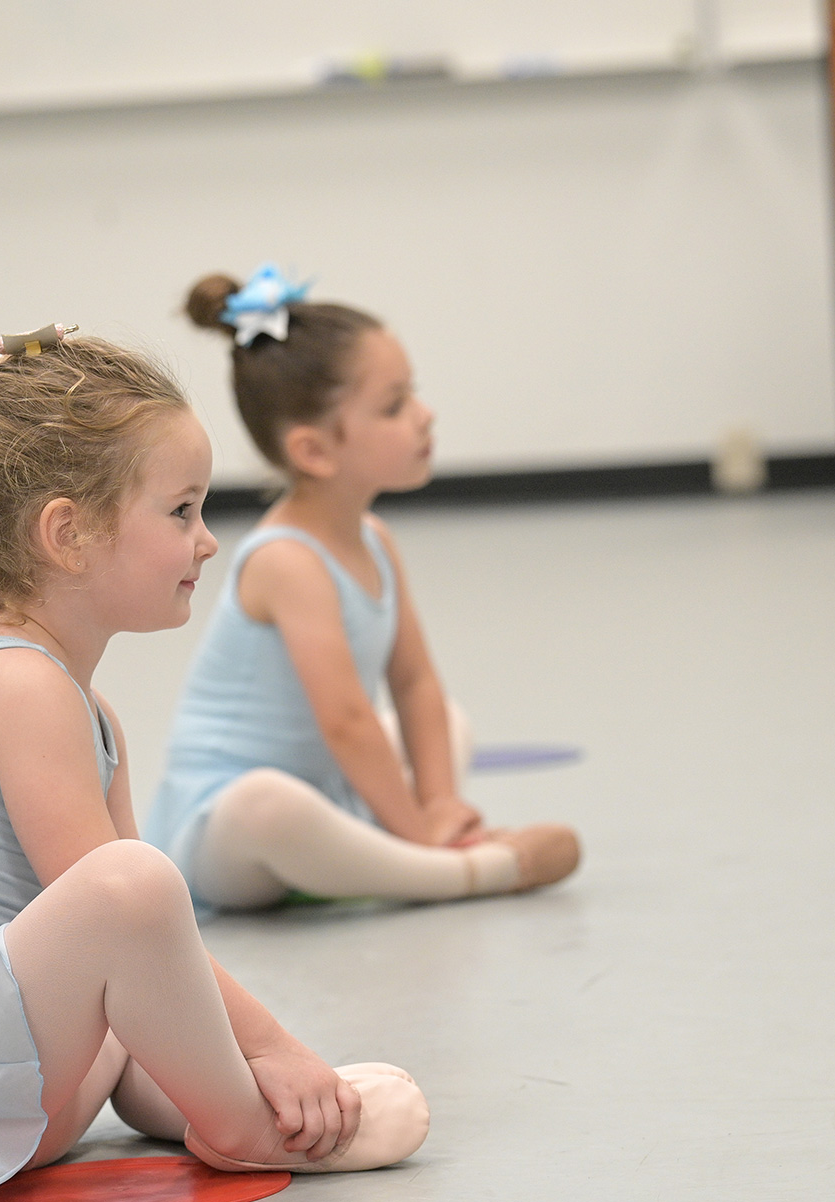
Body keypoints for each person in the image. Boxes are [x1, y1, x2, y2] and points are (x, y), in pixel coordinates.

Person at [0, 306, 429, 1202]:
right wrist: (275, 1043)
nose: (206, 540)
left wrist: (271, 1051)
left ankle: (217, 1096)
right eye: (181, 511)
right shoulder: (15, 684)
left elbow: (148, 949)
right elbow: (121, 896)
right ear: (67, 534)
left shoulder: (87, 709)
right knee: (130, 880)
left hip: (2, 1079)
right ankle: (244, 1120)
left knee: (139, 924)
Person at [145, 267, 581, 909]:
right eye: (395, 405)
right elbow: (347, 723)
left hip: (328, 796)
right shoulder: (286, 560)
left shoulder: (374, 539)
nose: (425, 415)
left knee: (449, 721)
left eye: (414, 395)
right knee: (269, 807)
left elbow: (415, 684)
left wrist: (439, 802)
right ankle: (459, 871)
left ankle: (383, 852)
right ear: (315, 451)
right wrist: (420, 833)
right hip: (225, 832)